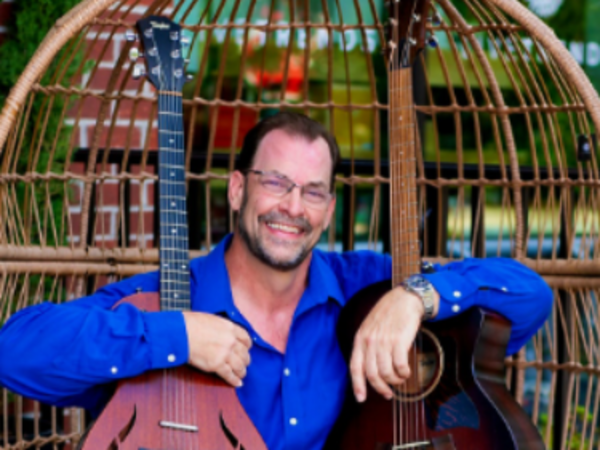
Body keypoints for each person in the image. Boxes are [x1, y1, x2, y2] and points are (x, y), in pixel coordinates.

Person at [0, 112, 552, 450]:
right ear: (237, 190)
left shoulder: (366, 291)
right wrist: (178, 337)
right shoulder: (166, 299)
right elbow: (14, 352)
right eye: (276, 183)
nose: (292, 207)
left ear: (329, 210)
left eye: (312, 191)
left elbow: (530, 296)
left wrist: (418, 297)